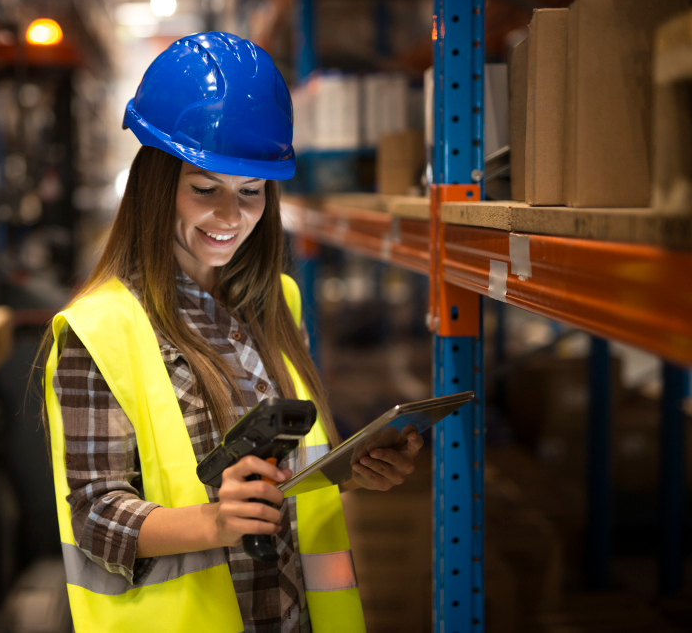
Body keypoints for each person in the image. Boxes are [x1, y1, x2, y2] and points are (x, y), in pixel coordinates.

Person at [41, 32, 424, 633]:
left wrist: (354, 466)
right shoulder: (100, 330)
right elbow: (94, 516)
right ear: (154, 184)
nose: (231, 217)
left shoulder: (275, 303)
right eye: (204, 189)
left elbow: (289, 479)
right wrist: (215, 523)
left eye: (251, 192)